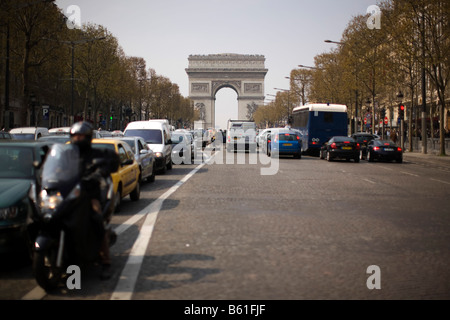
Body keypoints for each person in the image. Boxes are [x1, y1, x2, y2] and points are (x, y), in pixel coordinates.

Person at [69, 121, 120, 280]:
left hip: (89, 196)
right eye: (75, 136)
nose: (77, 139)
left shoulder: (96, 154)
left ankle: (106, 261)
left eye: (80, 136)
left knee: (97, 221)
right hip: (68, 196)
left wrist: (100, 173)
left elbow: (108, 165)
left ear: (88, 137)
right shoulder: (67, 154)